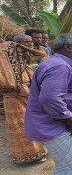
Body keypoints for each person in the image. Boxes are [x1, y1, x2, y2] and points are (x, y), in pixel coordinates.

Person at [24, 33, 72, 174]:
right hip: (59, 127)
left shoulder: (57, 64)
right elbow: (51, 99)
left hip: (61, 126)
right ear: (68, 47)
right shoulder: (60, 67)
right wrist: (71, 122)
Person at [0, 34, 47, 164]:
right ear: (16, 45)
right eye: (27, 42)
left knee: (31, 122)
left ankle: (38, 151)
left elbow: (40, 55)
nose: (31, 44)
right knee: (20, 125)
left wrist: (23, 47)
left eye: (31, 42)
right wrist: (17, 46)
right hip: (13, 98)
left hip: (26, 93)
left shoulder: (23, 59)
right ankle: (29, 155)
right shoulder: (7, 59)